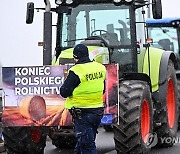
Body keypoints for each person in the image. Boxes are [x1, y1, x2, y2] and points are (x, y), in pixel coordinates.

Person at [60, 43, 106, 154]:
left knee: (87, 146)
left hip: (82, 114)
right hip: (97, 112)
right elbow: (103, 88)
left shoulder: (76, 71)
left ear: (75, 57)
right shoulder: (100, 68)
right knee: (82, 144)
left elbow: (64, 92)